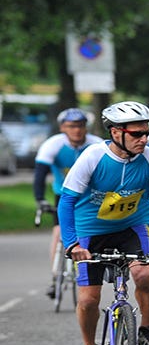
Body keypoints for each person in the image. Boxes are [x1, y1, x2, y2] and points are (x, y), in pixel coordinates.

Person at [58, 101, 149, 345]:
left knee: (144, 274)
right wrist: (72, 244)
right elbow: (67, 201)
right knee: (89, 299)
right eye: (136, 134)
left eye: (146, 132)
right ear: (115, 132)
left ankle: (147, 330)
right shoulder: (93, 156)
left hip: (131, 228)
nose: (144, 139)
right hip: (91, 231)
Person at [33, 107, 103, 297]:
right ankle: (55, 277)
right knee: (58, 232)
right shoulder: (53, 145)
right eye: (71, 126)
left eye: (80, 126)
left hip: (89, 196)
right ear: (62, 128)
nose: (77, 130)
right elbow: (40, 174)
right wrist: (40, 199)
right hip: (63, 195)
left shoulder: (95, 145)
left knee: (89, 231)